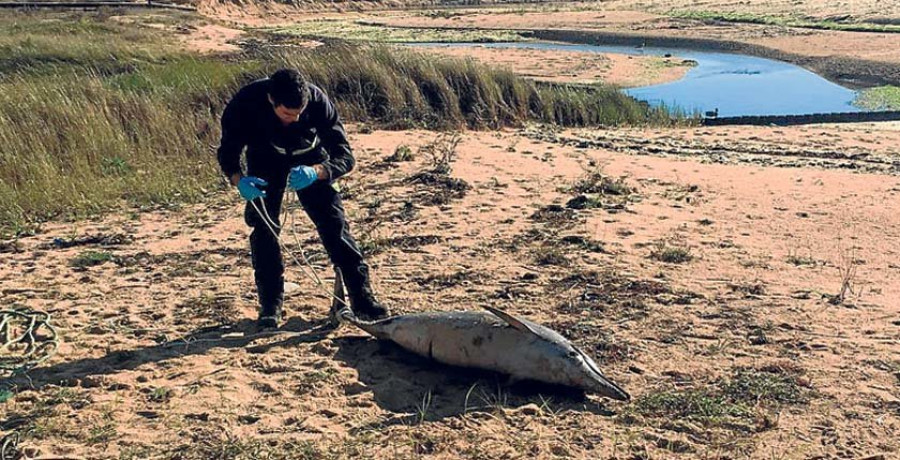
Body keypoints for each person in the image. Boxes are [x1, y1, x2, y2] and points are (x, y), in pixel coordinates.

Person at [216, 68, 389, 329]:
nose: (293, 119)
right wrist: (240, 182)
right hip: (264, 159)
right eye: (287, 114)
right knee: (264, 229)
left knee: (335, 226)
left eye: (298, 114)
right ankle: (270, 306)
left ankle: (363, 300)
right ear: (272, 101)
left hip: (310, 159)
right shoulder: (245, 103)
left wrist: (318, 172)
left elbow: (345, 156)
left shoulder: (318, 102)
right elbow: (228, 152)